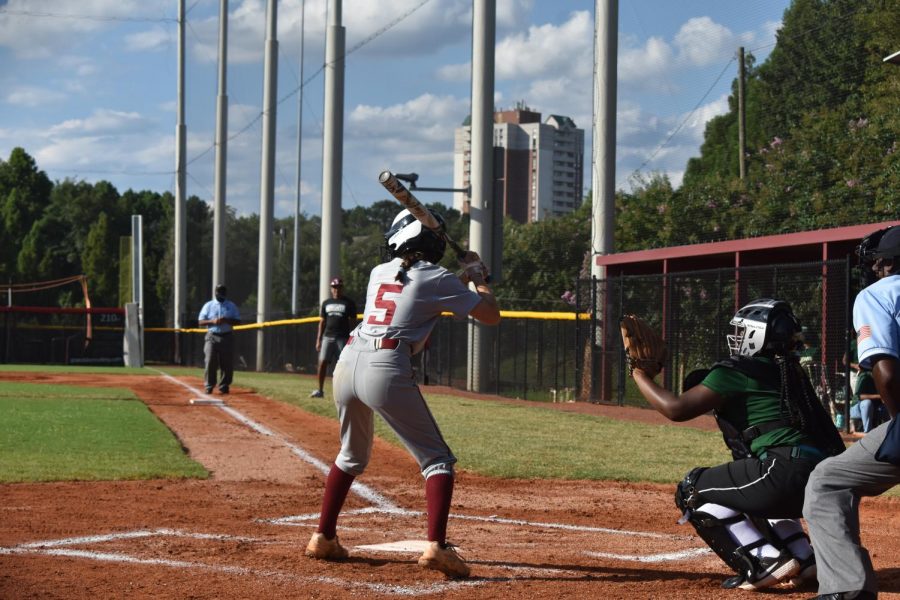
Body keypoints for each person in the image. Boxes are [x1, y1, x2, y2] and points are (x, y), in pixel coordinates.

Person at [305, 207, 500, 579]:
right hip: (386, 366)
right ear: (428, 242)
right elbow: (490, 314)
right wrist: (479, 278)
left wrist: (466, 277)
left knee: (350, 455)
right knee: (437, 459)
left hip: (348, 362)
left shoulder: (381, 272)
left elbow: (427, 292)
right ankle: (437, 547)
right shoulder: (436, 277)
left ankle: (323, 536)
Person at [631, 298, 844, 591]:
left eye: (742, 332)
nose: (737, 339)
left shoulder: (738, 370)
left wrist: (639, 374)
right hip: (820, 480)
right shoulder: (791, 372)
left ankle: (763, 562)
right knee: (749, 478)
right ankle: (804, 557)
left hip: (782, 474)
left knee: (692, 488)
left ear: (758, 335)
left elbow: (676, 408)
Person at [804, 225, 900, 600]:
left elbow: (887, 375)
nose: (874, 268)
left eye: (878, 262)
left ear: (887, 263)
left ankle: (847, 591)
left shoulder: (878, 293)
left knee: (828, 481)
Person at [310, 277, 357, 398]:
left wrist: (353, 338)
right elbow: (322, 322)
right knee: (322, 363)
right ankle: (320, 390)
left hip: (342, 337)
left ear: (342, 288)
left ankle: (345, 391)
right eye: (334, 287)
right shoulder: (326, 303)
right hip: (327, 337)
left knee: (344, 365)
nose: (337, 289)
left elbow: (353, 322)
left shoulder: (349, 303)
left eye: (339, 287)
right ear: (331, 289)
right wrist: (318, 339)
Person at [197, 284, 241, 394]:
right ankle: (209, 385)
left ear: (225, 294)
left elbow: (238, 321)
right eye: (218, 292)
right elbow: (200, 321)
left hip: (227, 336)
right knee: (210, 360)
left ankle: (224, 385)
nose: (220, 295)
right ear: (215, 293)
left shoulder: (231, 306)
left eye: (222, 293)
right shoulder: (208, 305)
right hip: (212, 336)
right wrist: (212, 321)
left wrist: (226, 320)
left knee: (226, 363)